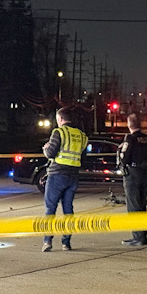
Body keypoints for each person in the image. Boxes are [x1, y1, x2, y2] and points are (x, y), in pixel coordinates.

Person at [41, 106, 88, 252]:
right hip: (73, 176)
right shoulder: (81, 135)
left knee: (50, 209)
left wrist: (45, 149)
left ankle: (47, 241)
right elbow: (83, 156)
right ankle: (66, 243)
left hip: (57, 175)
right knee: (68, 209)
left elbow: (51, 153)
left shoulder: (59, 132)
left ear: (60, 119)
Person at [119, 114, 147, 246]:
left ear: (129, 124)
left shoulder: (130, 138)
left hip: (133, 174)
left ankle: (138, 237)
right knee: (142, 204)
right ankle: (143, 234)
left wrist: (121, 152)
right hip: (145, 173)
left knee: (134, 206)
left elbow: (125, 158)